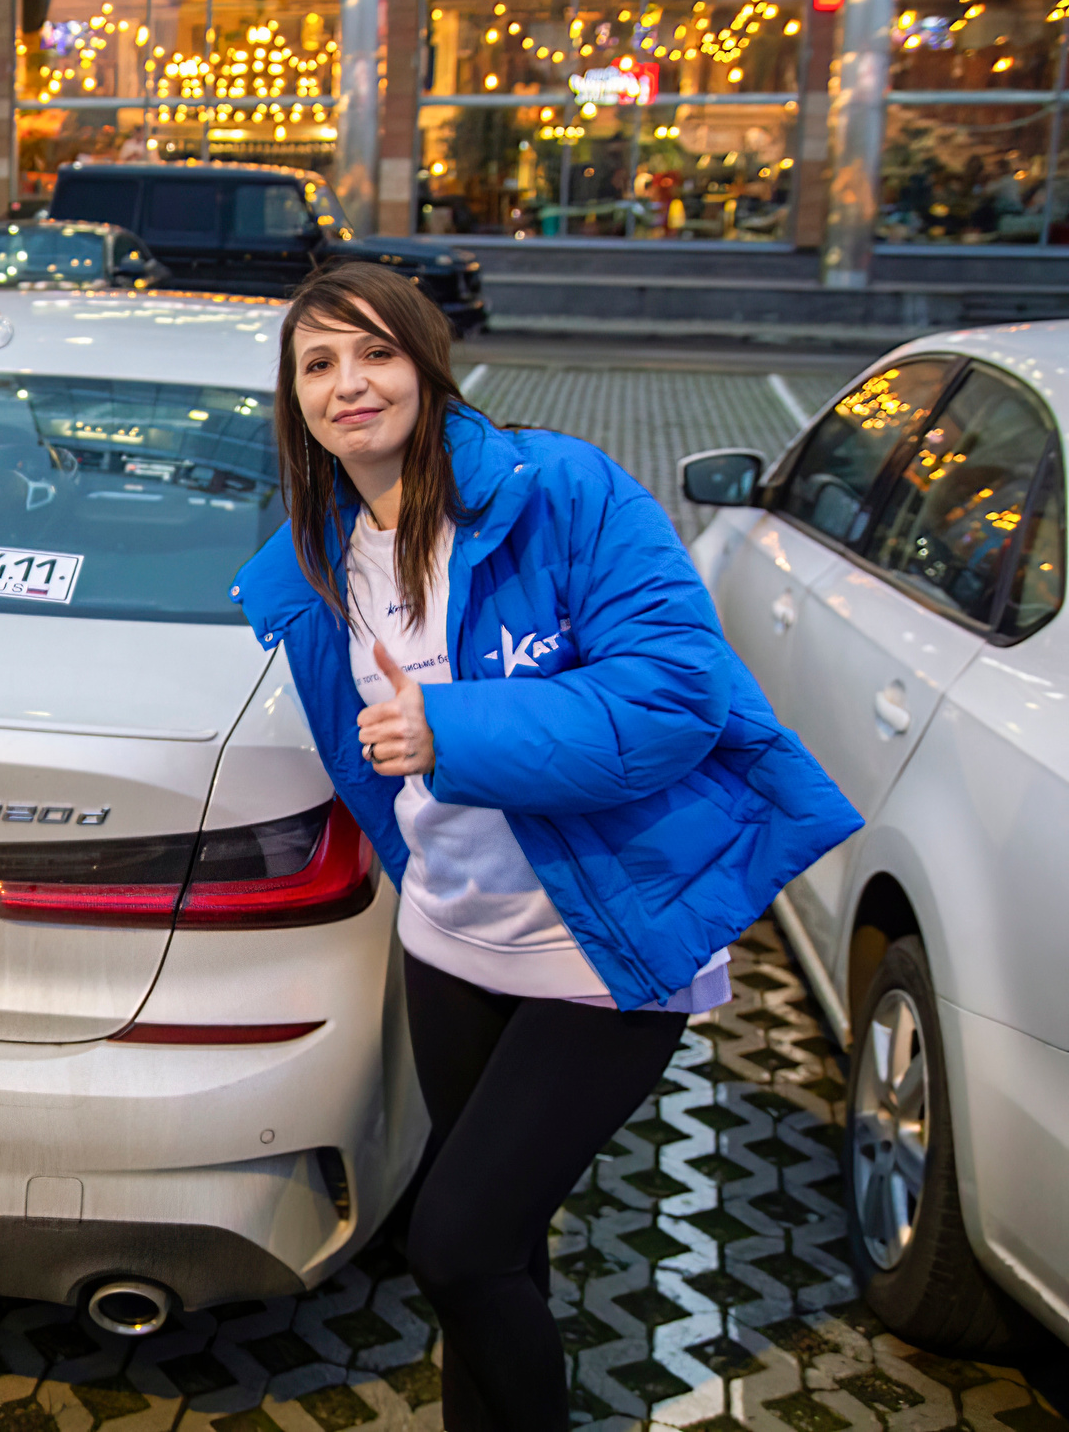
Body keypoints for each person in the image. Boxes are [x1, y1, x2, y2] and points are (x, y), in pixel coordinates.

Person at [228, 263, 858, 1432]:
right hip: (449, 934)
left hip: (603, 938)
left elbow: (673, 696)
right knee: (502, 1256)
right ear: (294, 401)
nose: (348, 383)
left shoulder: (564, 491)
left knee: (455, 1242)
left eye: (374, 352)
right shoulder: (313, 563)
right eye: (316, 364)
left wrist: (449, 728)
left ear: (426, 361)